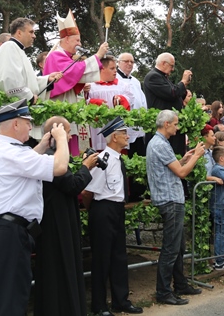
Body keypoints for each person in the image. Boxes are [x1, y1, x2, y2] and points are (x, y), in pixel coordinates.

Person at [0, 99, 71, 316]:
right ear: (15, 124)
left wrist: (43, 146)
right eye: (27, 122)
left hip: (4, 229)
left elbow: (25, 163)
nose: (31, 127)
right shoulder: (13, 153)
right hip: (11, 231)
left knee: (8, 293)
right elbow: (60, 167)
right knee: (12, 298)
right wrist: (61, 139)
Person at [34, 116, 97, 316]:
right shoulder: (51, 157)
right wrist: (86, 167)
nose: (70, 137)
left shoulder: (48, 156)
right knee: (60, 270)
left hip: (57, 219)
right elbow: (72, 186)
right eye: (67, 133)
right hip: (56, 224)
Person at [85, 117, 143, 316]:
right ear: (114, 137)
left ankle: (121, 300)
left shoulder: (117, 159)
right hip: (103, 209)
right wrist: (97, 211)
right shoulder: (103, 160)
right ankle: (99, 305)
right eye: (123, 133)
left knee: (119, 256)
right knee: (101, 259)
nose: (127, 136)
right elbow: (87, 192)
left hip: (117, 209)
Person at [146, 110, 205, 305]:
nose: (177, 128)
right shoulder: (160, 144)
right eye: (176, 124)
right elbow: (181, 173)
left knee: (178, 247)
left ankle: (180, 284)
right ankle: (163, 292)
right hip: (170, 200)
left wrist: (184, 159)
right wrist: (196, 156)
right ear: (166, 124)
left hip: (171, 199)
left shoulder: (159, 143)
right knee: (171, 248)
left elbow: (169, 170)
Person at [43, 9, 109, 155]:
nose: (80, 44)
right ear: (67, 39)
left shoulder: (66, 57)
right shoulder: (55, 56)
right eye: (77, 40)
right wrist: (98, 55)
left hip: (68, 109)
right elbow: (71, 72)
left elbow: (75, 75)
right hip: (59, 112)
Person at [0, 17, 62, 104]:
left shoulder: (18, 50)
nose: (34, 36)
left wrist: (47, 79)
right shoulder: (9, 47)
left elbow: (28, 82)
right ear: (19, 33)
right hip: (13, 107)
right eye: (31, 32)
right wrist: (29, 98)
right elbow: (10, 80)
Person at [143, 53, 192, 156]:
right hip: (163, 125)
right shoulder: (153, 77)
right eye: (171, 66)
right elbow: (171, 93)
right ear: (164, 63)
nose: (173, 69)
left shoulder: (163, 77)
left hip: (170, 123)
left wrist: (184, 85)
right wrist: (183, 81)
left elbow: (177, 95)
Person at [86, 55, 134, 151]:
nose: (115, 71)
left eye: (115, 68)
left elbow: (131, 99)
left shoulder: (123, 85)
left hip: (117, 126)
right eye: (112, 68)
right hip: (98, 127)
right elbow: (83, 102)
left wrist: (121, 99)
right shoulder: (90, 86)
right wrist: (93, 103)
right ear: (102, 69)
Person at [116, 52, 147, 156]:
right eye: (126, 61)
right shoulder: (115, 79)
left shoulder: (135, 81)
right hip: (124, 124)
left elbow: (142, 100)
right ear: (119, 63)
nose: (129, 64)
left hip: (137, 124)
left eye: (132, 62)